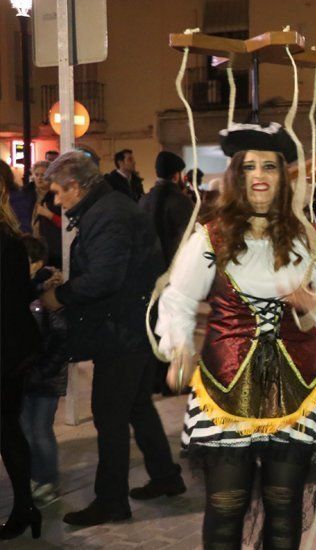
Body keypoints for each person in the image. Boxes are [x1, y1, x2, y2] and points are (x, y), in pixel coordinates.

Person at [155, 122, 316, 548]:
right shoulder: (209, 239)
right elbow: (177, 300)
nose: (260, 174)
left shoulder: (313, 240)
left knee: (284, 508)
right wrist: (177, 349)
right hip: (224, 388)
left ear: (284, 176)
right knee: (225, 506)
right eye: (249, 166)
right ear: (235, 175)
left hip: (299, 389)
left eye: (270, 165)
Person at [40, 152, 185, 526]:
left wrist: (62, 295)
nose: (56, 201)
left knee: (110, 416)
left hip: (121, 331)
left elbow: (106, 276)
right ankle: (166, 477)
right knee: (136, 406)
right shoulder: (109, 207)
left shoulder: (107, 214)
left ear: (75, 185)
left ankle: (111, 501)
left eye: (58, 192)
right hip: (132, 326)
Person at [0, 160, 44, 541]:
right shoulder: (11, 239)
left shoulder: (7, 240)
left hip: (7, 350)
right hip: (15, 347)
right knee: (8, 429)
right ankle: (25, 506)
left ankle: (24, 506)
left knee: (7, 429)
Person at [21, 237, 68, 508]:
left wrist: (44, 370)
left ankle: (48, 482)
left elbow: (61, 337)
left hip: (47, 376)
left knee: (41, 429)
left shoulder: (51, 290)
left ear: (37, 262)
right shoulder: (25, 290)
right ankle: (34, 478)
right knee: (26, 428)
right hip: (28, 373)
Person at [140, 151, 195, 267]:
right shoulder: (182, 201)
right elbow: (189, 238)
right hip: (175, 266)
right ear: (176, 176)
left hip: (149, 266)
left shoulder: (144, 200)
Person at [30, 161, 63, 269]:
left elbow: (66, 224)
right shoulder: (28, 195)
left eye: (43, 175)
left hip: (54, 248)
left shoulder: (58, 196)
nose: (39, 178)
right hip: (32, 246)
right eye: (37, 175)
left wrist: (49, 214)